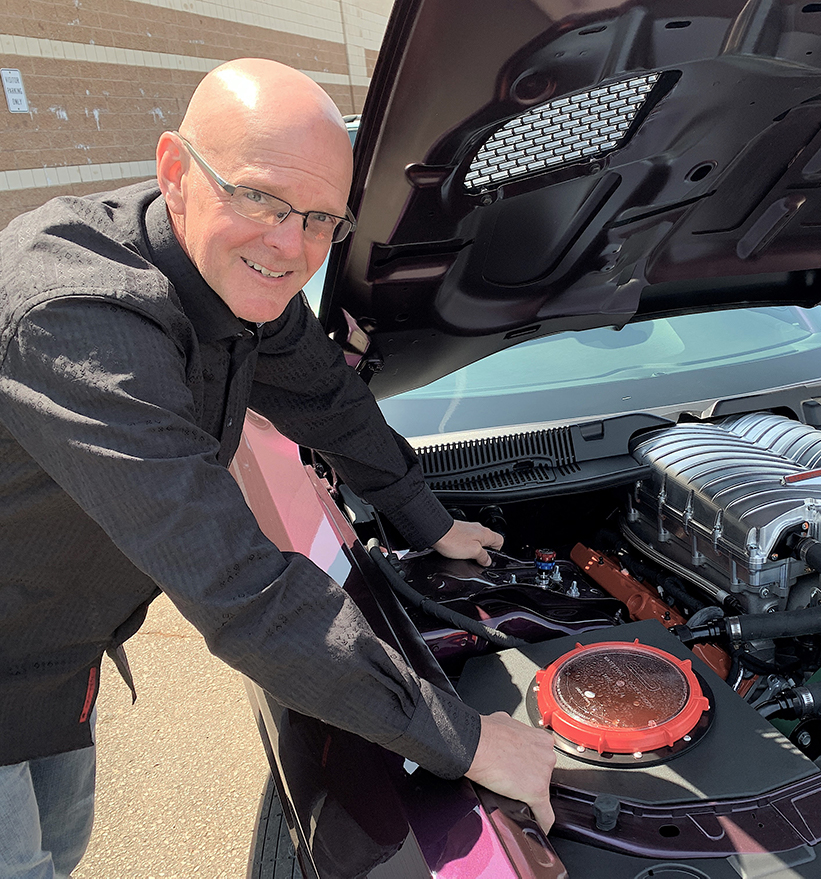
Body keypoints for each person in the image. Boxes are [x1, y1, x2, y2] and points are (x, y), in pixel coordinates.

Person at [0, 58, 555, 877]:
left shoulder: (239, 277)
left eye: (320, 218)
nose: (289, 244)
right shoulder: (78, 323)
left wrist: (432, 523)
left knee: (60, 846)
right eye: (258, 196)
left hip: (53, 664)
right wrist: (466, 738)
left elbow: (330, 398)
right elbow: (241, 587)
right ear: (175, 170)